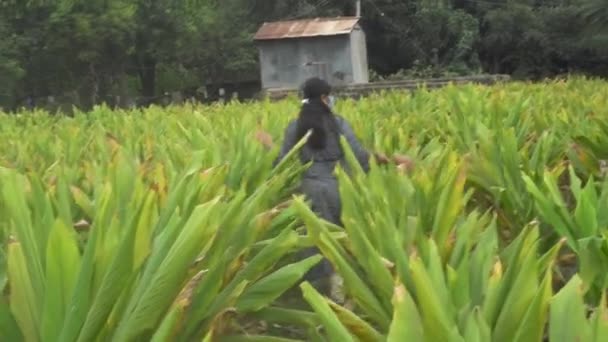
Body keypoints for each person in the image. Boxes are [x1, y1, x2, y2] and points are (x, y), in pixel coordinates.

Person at [256, 77, 412, 300]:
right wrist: (383, 160)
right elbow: (358, 156)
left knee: (315, 238)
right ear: (323, 97)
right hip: (339, 187)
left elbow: (282, 162)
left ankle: (315, 292)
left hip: (310, 190)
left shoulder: (295, 126)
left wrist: (268, 144)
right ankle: (342, 287)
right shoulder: (338, 124)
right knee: (343, 237)